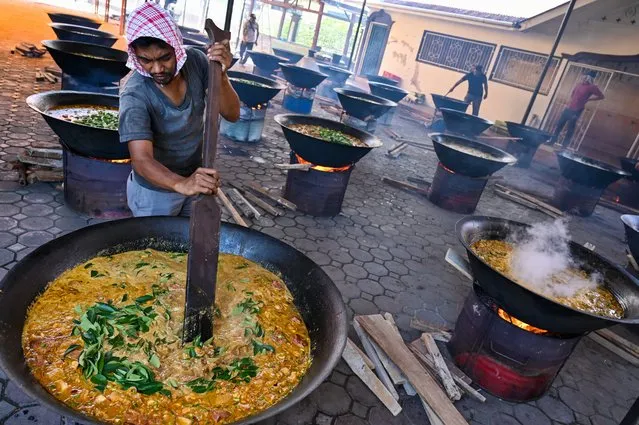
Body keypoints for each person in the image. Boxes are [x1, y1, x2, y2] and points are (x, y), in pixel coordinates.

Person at [119, 2, 241, 217]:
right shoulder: (135, 94)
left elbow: (232, 113)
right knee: (154, 250)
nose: (157, 69)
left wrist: (220, 75)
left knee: (189, 247)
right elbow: (141, 160)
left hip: (195, 180)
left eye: (165, 57)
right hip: (154, 192)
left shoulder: (196, 62)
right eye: (146, 60)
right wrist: (182, 184)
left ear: (176, 47)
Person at [552, 70, 604, 147]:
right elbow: (572, 94)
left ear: (588, 77)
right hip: (569, 108)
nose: (582, 77)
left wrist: (589, 99)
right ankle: (552, 140)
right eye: (583, 76)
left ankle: (564, 145)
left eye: (584, 76)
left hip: (577, 110)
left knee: (570, 128)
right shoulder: (578, 85)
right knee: (559, 125)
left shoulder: (592, 87)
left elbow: (601, 96)